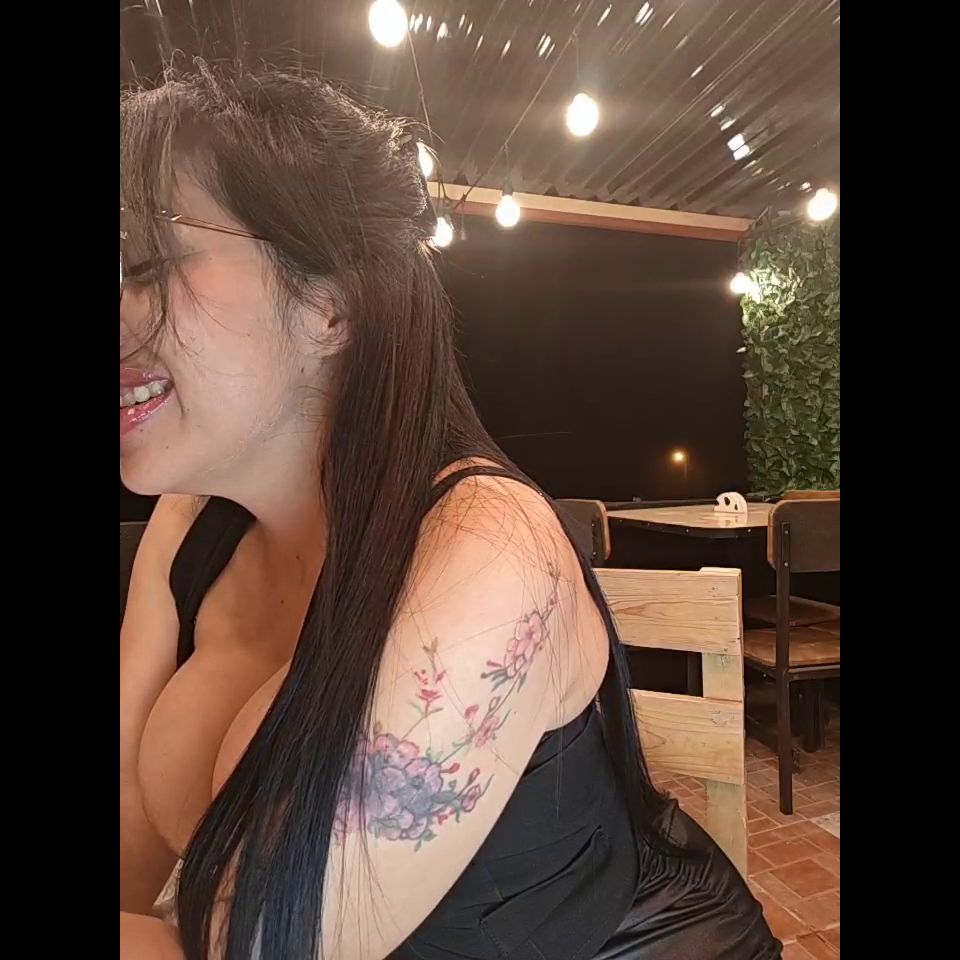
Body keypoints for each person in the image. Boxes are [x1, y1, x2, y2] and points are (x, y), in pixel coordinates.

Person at [119, 65, 781, 960]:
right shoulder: (190, 524)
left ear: (329, 305)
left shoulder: (489, 554)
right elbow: (127, 826)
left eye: (144, 263)